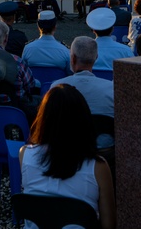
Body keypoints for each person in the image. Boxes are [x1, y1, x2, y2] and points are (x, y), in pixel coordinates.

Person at [19, 84, 115, 229]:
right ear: (84, 120)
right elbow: (109, 225)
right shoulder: (98, 167)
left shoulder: (24, 154)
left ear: (43, 118)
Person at [50, 37, 114, 147]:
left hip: (68, 151)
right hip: (104, 152)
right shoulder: (111, 89)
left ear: (73, 58)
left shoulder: (56, 87)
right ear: (96, 58)